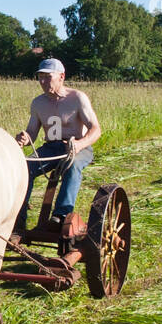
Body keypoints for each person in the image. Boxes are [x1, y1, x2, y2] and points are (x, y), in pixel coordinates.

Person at [14, 58, 101, 231]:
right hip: (50, 148)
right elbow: (32, 132)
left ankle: (61, 215)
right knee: (24, 167)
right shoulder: (38, 103)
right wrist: (24, 138)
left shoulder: (77, 98)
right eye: (40, 77)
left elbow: (96, 129)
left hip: (77, 147)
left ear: (61, 77)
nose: (43, 82)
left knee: (73, 164)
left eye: (48, 77)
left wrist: (80, 144)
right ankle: (18, 219)